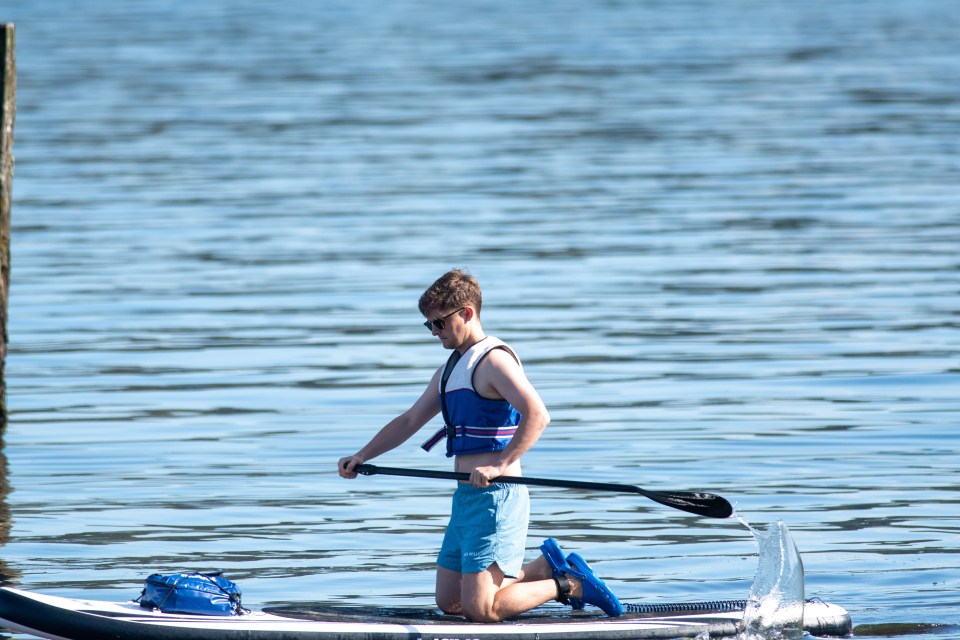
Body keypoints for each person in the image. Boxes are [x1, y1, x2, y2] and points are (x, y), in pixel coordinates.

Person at [338, 269, 622, 622]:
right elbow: (410, 421)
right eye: (429, 326)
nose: (435, 333)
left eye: (439, 323)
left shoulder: (494, 361)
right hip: (466, 499)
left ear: (467, 313)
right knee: (450, 602)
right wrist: (363, 455)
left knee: (482, 610)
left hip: (498, 497)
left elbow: (538, 414)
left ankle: (569, 584)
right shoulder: (448, 370)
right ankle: (544, 566)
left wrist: (500, 464)